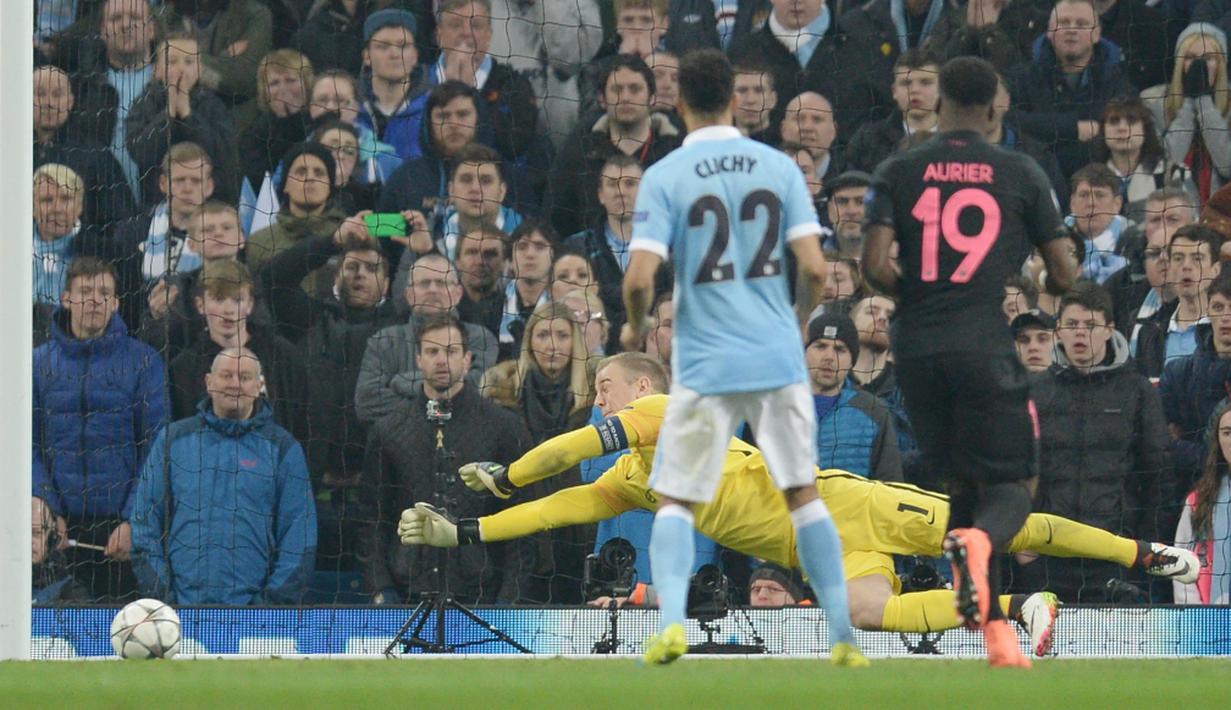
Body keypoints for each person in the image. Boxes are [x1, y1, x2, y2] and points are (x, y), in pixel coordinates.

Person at [397, 353, 1198, 655]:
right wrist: (468, 527)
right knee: (872, 615)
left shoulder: (665, 411)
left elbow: (567, 451)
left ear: (638, 386)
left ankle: (1139, 552)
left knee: (1004, 523)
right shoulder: (639, 476)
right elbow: (560, 507)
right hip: (816, 551)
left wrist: (502, 477)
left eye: (604, 383)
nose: (596, 397)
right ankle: (1021, 607)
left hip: (850, 505)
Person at [617, 49, 864, 667]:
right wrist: (798, 319)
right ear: (734, 97)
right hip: (775, 351)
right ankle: (843, 637)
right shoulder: (778, 167)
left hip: (704, 359)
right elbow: (813, 266)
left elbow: (640, 277)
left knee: (677, 498)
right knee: (803, 494)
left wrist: (636, 325)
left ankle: (671, 624)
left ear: (678, 103)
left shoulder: (666, 175)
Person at [862, 56, 1078, 667]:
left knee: (959, 482)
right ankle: (981, 544)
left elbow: (873, 265)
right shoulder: (1019, 171)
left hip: (916, 348)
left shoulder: (898, 167)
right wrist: (1035, 272)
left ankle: (993, 636)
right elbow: (1064, 274)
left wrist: (922, 296)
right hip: (983, 340)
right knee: (1014, 482)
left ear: (938, 102)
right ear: (993, 107)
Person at [362, 314, 530, 604]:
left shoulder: (503, 427)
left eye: (451, 351)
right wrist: (381, 587)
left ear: (467, 360)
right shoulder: (388, 430)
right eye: (432, 351)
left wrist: (510, 596)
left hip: (483, 592)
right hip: (408, 591)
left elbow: (522, 515)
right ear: (418, 360)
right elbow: (372, 518)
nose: (442, 360)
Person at [130, 347, 316, 604]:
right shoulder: (173, 440)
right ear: (209, 382)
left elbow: (299, 537)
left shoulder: (283, 449)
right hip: (177, 615)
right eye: (226, 375)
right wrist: (164, 599)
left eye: (245, 377)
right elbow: (144, 525)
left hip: (258, 621)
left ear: (260, 385)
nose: (235, 384)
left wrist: (270, 606)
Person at [1024, 282, 1173, 602]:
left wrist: (1142, 545)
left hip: (1115, 553)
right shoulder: (1034, 391)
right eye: (1072, 325)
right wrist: (1023, 546)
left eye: (1090, 325)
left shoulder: (1136, 390)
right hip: (1046, 553)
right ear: (1059, 331)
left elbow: (1157, 472)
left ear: (1109, 330)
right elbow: (1015, 469)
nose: (1081, 334)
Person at [33, 257, 168, 602]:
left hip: (119, 527)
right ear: (65, 298)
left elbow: (156, 444)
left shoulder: (144, 361)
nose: (95, 300)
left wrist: (133, 519)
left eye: (105, 292)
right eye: (85, 291)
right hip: (57, 525)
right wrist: (46, 507)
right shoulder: (37, 363)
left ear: (117, 303)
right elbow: (26, 442)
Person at [479, 302, 598, 602]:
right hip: (520, 531)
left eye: (562, 335)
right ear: (529, 341)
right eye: (543, 335)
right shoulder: (501, 394)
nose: (552, 345)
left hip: (577, 531)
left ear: (575, 341)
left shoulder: (596, 398)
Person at [544, 53, 682, 240]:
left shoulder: (676, 151)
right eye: (617, 90)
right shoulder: (580, 150)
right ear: (602, 99)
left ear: (651, 97)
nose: (625, 97)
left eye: (634, 89)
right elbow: (555, 220)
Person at [168, 260, 309, 440]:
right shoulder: (183, 367)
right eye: (219, 299)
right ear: (200, 305)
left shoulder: (283, 355)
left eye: (237, 299)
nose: (228, 310)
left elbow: (305, 422)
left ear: (249, 305)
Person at [355, 253, 499, 424]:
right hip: (397, 446)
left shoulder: (480, 338)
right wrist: (435, 408)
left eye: (441, 283)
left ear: (458, 293)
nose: (433, 289)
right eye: (424, 284)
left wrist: (403, 382)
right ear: (409, 295)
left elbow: (478, 389)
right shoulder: (384, 340)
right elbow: (366, 402)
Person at [1004, 0, 1136, 179]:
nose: (1071, 30)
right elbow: (1007, 118)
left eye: (1081, 24)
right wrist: (1073, 128)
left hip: (1097, 182)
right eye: (1063, 23)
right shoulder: (1022, 77)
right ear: (1050, 31)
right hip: (1035, 177)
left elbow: (1122, 126)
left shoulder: (1116, 80)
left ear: (1096, 34)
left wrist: (1043, 127)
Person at [727, 0, 892, 140]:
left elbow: (885, 120)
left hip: (848, 173)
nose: (796, 1)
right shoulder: (741, 54)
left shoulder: (864, 50)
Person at [125, 33, 237, 205]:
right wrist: (168, 113)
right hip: (156, 203)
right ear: (158, 70)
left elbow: (221, 154)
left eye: (189, 62)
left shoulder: (214, 104)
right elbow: (141, 152)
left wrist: (187, 115)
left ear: (200, 68)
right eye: (172, 62)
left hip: (208, 203)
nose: (181, 69)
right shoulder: (145, 103)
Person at [429, 0, 539, 163]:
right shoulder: (417, 83)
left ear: (489, 35)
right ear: (439, 36)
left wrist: (469, 94)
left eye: (476, 25)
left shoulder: (513, 86)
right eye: (455, 25)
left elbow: (515, 146)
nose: (466, 32)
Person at [31, 164, 130, 344]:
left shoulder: (106, 253)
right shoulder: (10, 250)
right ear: (31, 207)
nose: (57, 208)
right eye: (46, 200)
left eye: (66, 199)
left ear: (79, 207)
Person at [139, 200, 246, 362]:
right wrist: (157, 318)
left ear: (241, 238)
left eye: (226, 228)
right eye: (208, 230)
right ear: (192, 244)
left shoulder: (263, 282)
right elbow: (152, 351)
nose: (218, 234)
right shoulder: (175, 288)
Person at [33, 64, 137, 230]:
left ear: (70, 101)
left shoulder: (96, 156)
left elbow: (124, 222)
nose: (48, 103)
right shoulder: (10, 153)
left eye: (57, 95)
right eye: (40, 94)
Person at [805, 313, 903, 481]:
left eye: (840, 350)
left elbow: (890, 483)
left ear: (852, 361)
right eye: (820, 346)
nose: (829, 357)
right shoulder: (773, 405)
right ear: (804, 352)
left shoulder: (874, 411)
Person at [1140, 23, 1230, 204]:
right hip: (1170, 204)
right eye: (1190, 58)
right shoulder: (1152, 101)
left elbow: (1227, 165)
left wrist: (1204, 101)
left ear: (1221, 64)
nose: (1199, 65)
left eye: (1208, 58)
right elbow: (1168, 163)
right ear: (1179, 63)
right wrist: (1189, 101)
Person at [246, 143, 348, 298]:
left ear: (330, 186)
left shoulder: (350, 235)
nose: (310, 178)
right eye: (301, 172)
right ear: (285, 185)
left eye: (319, 173)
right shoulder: (258, 242)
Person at [564, 152, 643, 350]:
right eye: (612, 184)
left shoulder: (667, 249)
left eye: (630, 184)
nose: (620, 191)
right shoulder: (576, 248)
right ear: (600, 194)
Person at [1161, 273, 1231, 496]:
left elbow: (1177, 447)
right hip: (1188, 494)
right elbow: (1162, 445)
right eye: (1218, 307)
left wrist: (1188, 449)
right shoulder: (1178, 373)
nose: (1226, 317)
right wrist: (1214, 457)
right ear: (1208, 311)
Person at [1134, 224, 1224, 377]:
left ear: (1215, 270)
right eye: (1178, 258)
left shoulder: (1224, 330)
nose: (1186, 266)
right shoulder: (1149, 334)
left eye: (1197, 258)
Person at [1104, 188, 1192, 341]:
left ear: (1192, 224)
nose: (1163, 227)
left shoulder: (1214, 280)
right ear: (1145, 229)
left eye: (1172, 219)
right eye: (1155, 220)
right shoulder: (1120, 284)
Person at [1091, 96, 1191, 223]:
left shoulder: (1174, 174)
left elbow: (1192, 224)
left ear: (1145, 130)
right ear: (1103, 131)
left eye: (1131, 121)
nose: (1122, 128)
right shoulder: (1090, 179)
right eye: (1114, 121)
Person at [151, 0, 272, 103]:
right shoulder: (161, 17)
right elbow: (159, 75)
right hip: (176, 114)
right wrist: (224, 58)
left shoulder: (254, 15)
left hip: (234, 119)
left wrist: (181, 55)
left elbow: (244, 81)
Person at [845, 50, 941, 175]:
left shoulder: (964, 138)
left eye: (925, 82)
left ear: (942, 88)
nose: (915, 90)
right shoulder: (867, 140)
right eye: (906, 83)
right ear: (894, 91)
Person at [1174, 402, 1231, 605]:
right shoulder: (1199, 501)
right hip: (1209, 624)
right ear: (1217, 440)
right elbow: (1182, 566)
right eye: (1227, 432)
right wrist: (1197, 618)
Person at [355, 8, 429, 161]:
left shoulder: (433, 109)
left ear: (415, 56)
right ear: (367, 57)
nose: (394, 54)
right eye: (383, 46)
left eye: (403, 46)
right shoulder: (350, 107)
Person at [236, 49, 315, 190]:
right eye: (274, 83)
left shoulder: (320, 124)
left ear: (307, 84)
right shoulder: (254, 135)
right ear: (265, 91)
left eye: (290, 80)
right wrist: (283, 122)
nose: (283, 89)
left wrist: (295, 119)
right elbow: (258, 181)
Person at [1066, 163, 1132, 284]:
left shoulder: (1134, 241)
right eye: (1084, 195)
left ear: (1117, 204)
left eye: (1100, 195)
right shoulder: (1053, 241)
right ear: (1072, 203)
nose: (1091, 203)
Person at [498, 221, 555, 360]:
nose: (530, 254)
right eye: (522, 247)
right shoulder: (491, 308)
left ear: (554, 258)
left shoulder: (563, 308)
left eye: (540, 247)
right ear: (510, 261)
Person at [454, 225, 508, 337]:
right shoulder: (444, 308)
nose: (480, 261)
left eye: (490, 254)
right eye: (472, 252)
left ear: (504, 262)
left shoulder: (512, 310)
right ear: (457, 261)